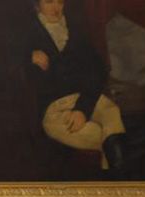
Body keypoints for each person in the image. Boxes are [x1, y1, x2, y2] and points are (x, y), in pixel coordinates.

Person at [24, 0, 127, 176]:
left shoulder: (76, 28)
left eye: (60, 1)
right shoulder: (27, 32)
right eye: (49, 2)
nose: (56, 8)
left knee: (111, 112)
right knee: (101, 133)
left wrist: (82, 109)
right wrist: (26, 56)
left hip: (84, 97)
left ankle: (121, 180)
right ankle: (118, 177)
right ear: (36, 5)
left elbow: (98, 70)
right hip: (54, 109)